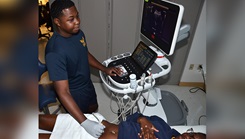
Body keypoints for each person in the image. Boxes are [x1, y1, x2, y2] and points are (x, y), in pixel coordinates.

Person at [45, 0, 121, 138]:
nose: (77, 22)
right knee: (78, 129)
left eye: (77, 16)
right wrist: (85, 122)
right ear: (57, 21)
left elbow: (84, 53)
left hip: (87, 84)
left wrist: (104, 69)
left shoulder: (78, 33)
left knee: (93, 108)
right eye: (71, 19)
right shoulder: (54, 52)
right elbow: (63, 92)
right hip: (74, 93)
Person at [39, 112, 206, 139]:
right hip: (96, 123)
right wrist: (143, 120)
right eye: (192, 134)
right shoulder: (164, 126)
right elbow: (132, 116)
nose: (187, 137)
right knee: (41, 120)